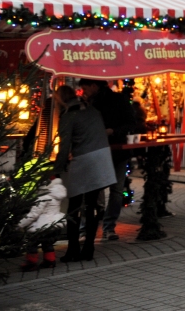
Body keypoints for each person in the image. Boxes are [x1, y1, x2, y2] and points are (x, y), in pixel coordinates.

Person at [53, 85, 117, 262]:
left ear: (60, 100)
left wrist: (57, 169)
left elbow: (64, 147)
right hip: (102, 158)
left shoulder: (68, 115)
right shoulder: (92, 110)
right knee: (92, 205)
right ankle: (88, 248)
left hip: (84, 161)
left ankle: (73, 250)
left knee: (74, 206)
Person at [78, 78, 136, 241]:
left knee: (110, 191)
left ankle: (100, 228)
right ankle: (96, 228)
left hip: (113, 151)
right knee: (102, 191)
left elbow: (131, 124)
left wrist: (113, 131)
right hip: (102, 151)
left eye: (85, 88)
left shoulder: (117, 100)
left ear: (94, 85)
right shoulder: (88, 102)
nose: (84, 92)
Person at [19, 176, 67, 271]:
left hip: (41, 225)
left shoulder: (42, 198)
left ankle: (31, 263)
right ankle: (50, 261)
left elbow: (34, 214)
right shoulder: (55, 195)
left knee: (32, 243)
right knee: (47, 243)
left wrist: (20, 224)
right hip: (53, 223)